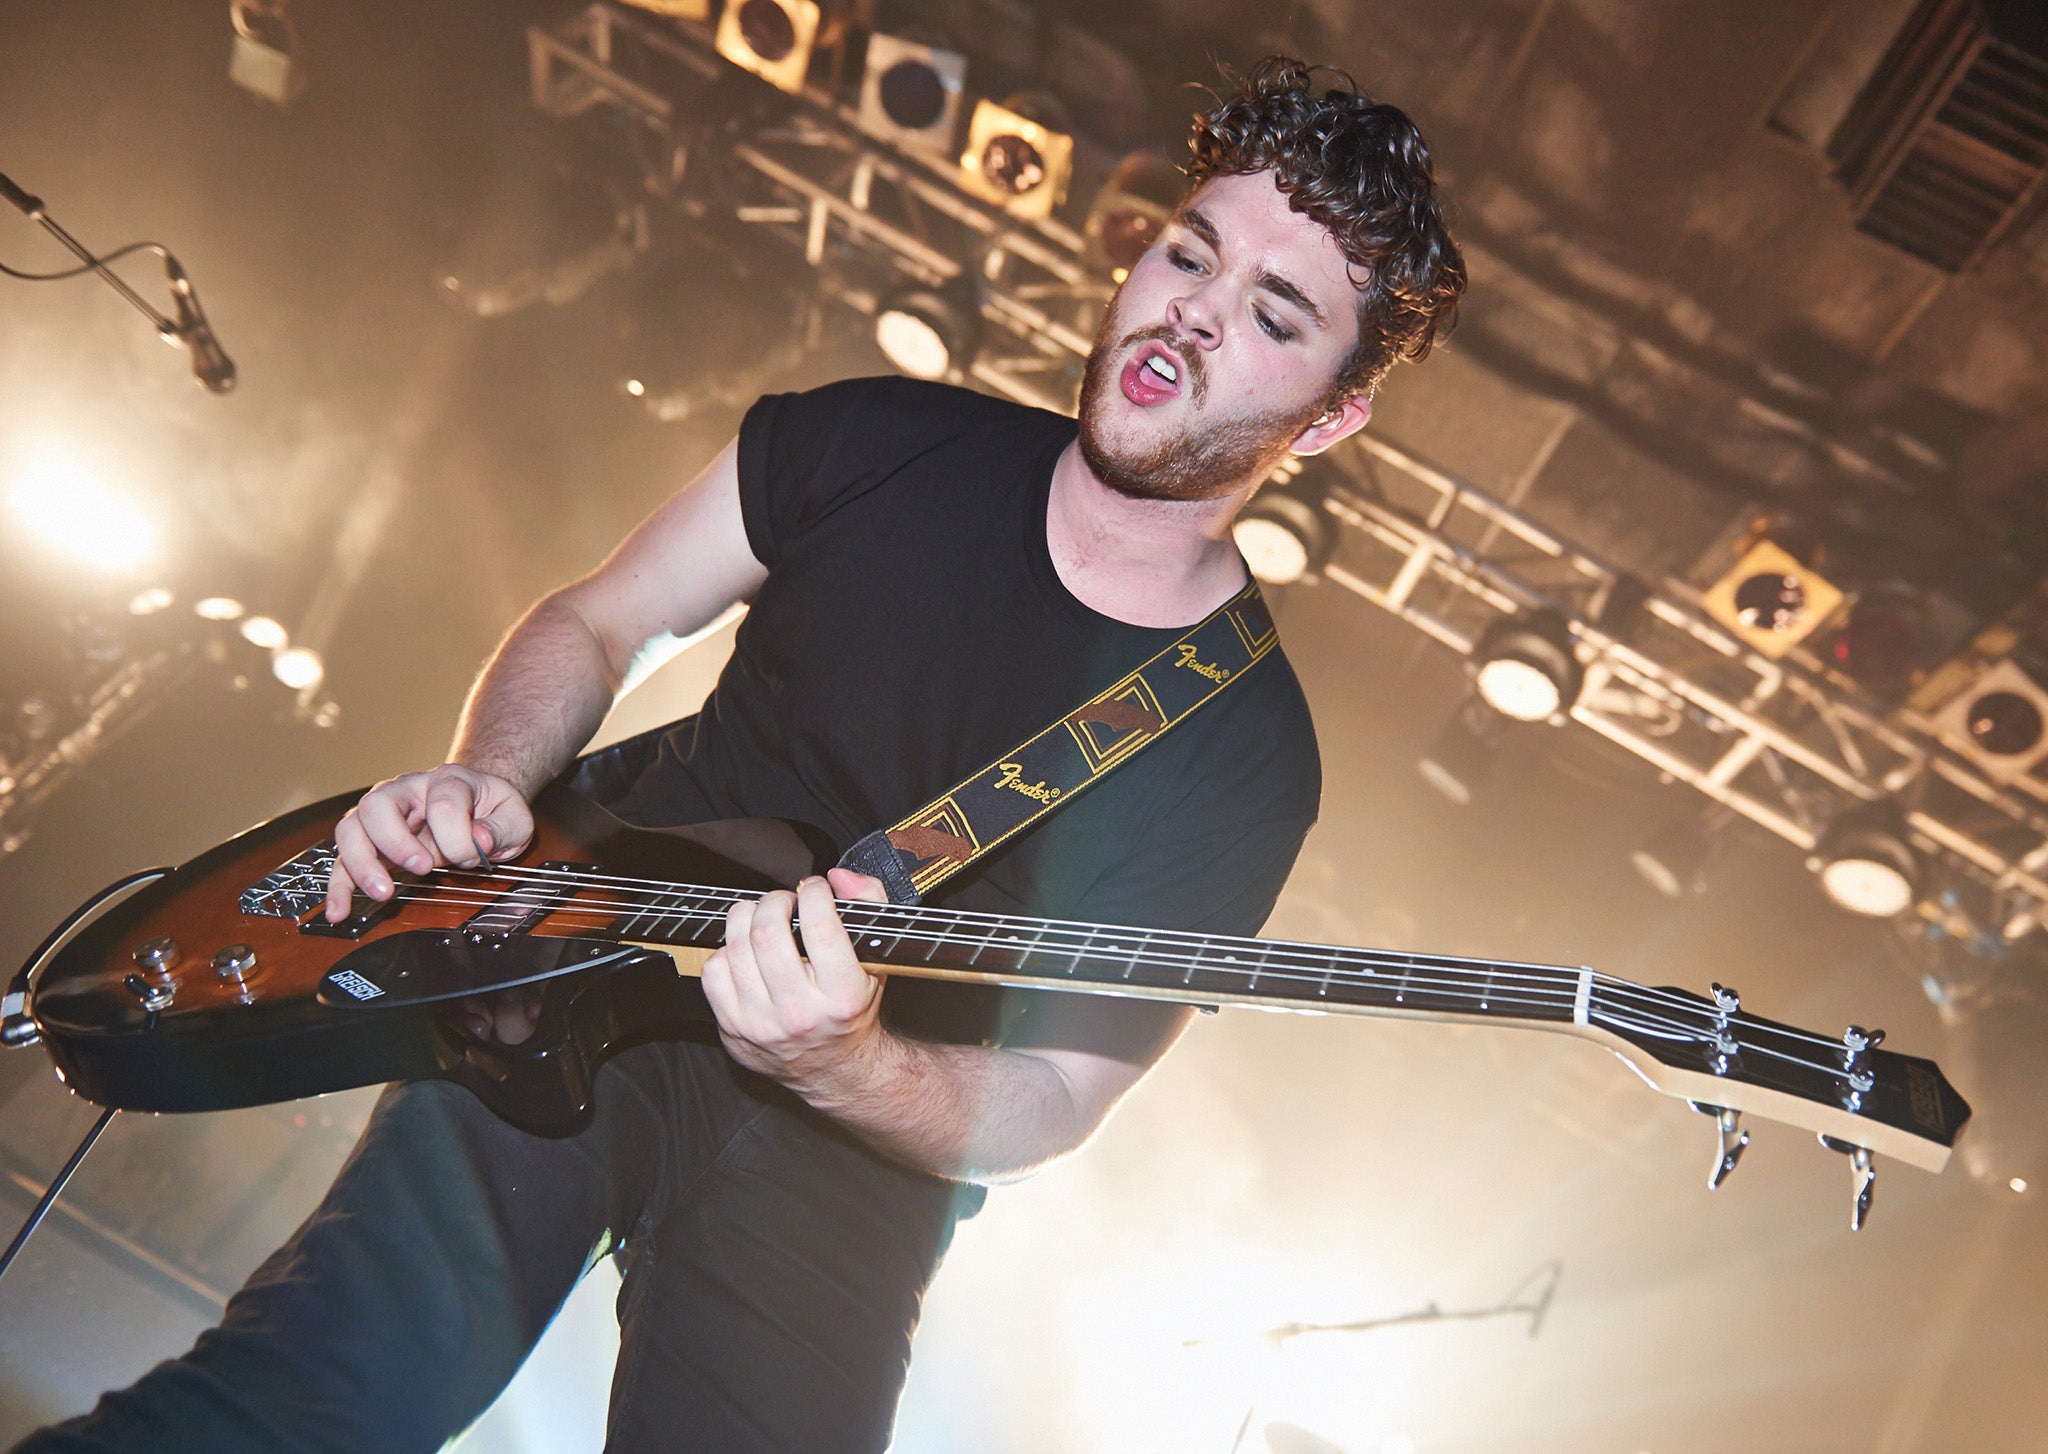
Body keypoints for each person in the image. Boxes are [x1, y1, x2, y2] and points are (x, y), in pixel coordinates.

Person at [20, 56, 1463, 1454]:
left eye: (1273, 314)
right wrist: (494, 778)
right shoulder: (880, 438)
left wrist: (851, 1063)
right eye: (1189, 256)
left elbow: (1058, 1101)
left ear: (1333, 412)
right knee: (315, 1403)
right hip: (569, 966)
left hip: (862, 1145)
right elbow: (597, 621)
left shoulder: (1243, 745)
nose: (1195, 317)